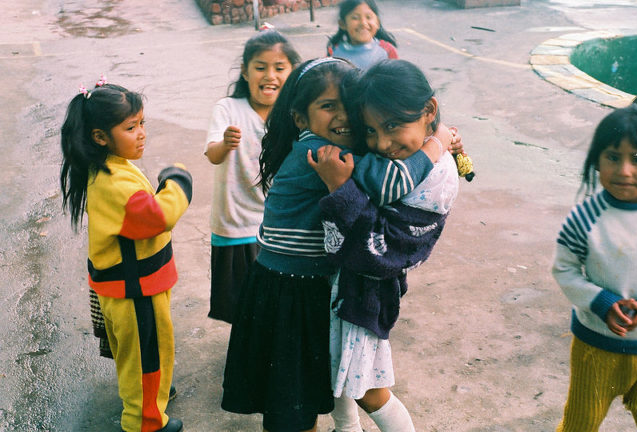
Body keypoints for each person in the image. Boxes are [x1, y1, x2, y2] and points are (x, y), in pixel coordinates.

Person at [221, 57, 448, 432]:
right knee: (292, 407)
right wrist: (436, 145)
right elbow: (390, 182)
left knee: (300, 397)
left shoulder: (320, 144)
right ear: (300, 118)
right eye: (329, 106)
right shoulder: (324, 155)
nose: (344, 116)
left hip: (291, 283)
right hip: (290, 289)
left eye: (350, 107)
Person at [309, 59, 459, 432]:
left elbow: (386, 247)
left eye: (392, 126)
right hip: (347, 286)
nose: (382, 143)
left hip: (368, 291)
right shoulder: (414, 153)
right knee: (338, 373)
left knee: (368, 391)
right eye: (372, 130)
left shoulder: (436, 177)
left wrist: (340, 190)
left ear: (429, 112)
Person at [60, 79, 192, 432]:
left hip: (126, 286)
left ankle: (152, 394)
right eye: (130, 127)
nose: (141, 133)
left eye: (142, 123)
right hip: (135, 291)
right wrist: (177, 181)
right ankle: (145, 420)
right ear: (100, 136)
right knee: (146, 358)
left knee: (141, 356)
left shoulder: (109, 165)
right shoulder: (115, 182)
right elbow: (159, 217)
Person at [552, 104, 637, 431]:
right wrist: (601, 302)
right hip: (595, 347)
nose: (625, 170)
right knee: (580, 425)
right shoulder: (584, 218)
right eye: (613, 157)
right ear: (596, 161)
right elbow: (565, 270)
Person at [204, 30, 300, 324]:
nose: (269, 75)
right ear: (245, 71)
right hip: (235, 225)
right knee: (241, 305)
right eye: (260, 67)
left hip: (276, 226)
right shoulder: (228, 109)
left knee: (274, 302)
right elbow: (212, 154)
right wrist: (225, 144)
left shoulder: (293, 115)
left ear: (292, 73)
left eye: (279, 68)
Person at [326, 0, 397, 70]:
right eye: (355, 18)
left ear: (377, 23)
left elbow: (399, 78)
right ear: (342, 24)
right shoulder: (334, 52)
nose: (363, 23)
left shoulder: (387, 51)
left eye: (368, 17)